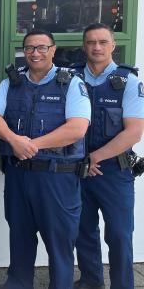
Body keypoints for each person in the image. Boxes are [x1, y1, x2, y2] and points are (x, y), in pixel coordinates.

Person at [0, 29, 91, 289]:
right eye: (30, 48)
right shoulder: (12, 82)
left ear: (53, 50)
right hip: (19, 175)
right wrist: (13, 139)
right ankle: (18, 283)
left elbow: (77, 128)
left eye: (42, 47)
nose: (35, 53)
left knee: (59, 241)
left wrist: (30, 145)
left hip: (57, 176)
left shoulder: (72, 83)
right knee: (20, 234)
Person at [73, 23, 144, 289]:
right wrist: (83, 160)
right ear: (84, 46)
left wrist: (95, 158)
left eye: (103, 42)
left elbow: (134, 132)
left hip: (114, 171)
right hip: (77, 169)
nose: (97, 47)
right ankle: (91, 281)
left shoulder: (129, 81)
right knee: (83, 231)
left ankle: (122, 285)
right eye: (91, 42)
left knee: (119, 234)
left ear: (113, 45)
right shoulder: (71, 78)